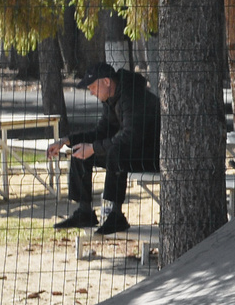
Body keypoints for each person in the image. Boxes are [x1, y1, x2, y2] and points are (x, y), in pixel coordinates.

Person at [49, 63, 161, 236]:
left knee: (114, 151)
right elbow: (102, 131)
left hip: (153, 155)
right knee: (80, 152)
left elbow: (131, 136)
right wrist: (67, 140)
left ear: (107, 82)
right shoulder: (112, 98)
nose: (91, 92)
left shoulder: (132, 96)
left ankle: (115, 215)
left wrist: (93, 148)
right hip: (131, 151)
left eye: (93, 87)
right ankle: (85, 211)